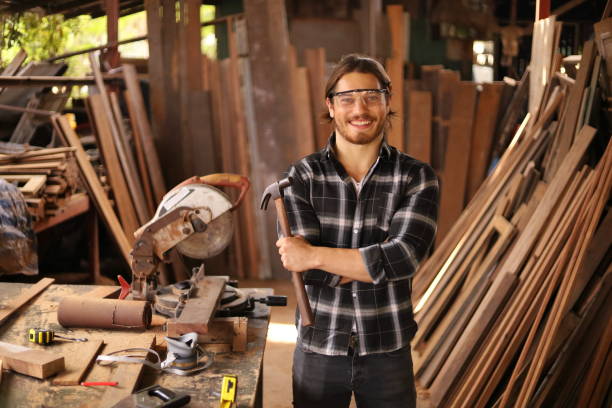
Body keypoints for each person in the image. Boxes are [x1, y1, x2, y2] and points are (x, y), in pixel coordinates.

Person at [275, 53, 439, 408]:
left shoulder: (416, 178)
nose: (359, 109)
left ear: (387, 102)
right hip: (319, 344)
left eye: (371, 96)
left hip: (387, 348)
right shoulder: (301, 177)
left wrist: (316, 254)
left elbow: (403, 259)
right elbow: (307, 273)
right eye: (347, 98)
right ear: (330, 107)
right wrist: (368, 263)